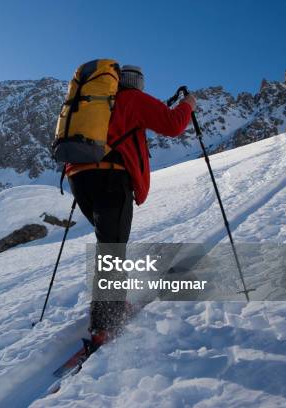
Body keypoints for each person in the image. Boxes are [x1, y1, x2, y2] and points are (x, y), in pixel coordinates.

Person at [66, 65, 196, 350]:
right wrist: (188, 105)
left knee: (110, 243)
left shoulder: (93, 105)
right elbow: (173, 125)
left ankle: (113, 303)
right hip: (111, 178)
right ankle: (104, 323)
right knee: (112, 248)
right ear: (135, 83)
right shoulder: (133, 99)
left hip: (79, 178)